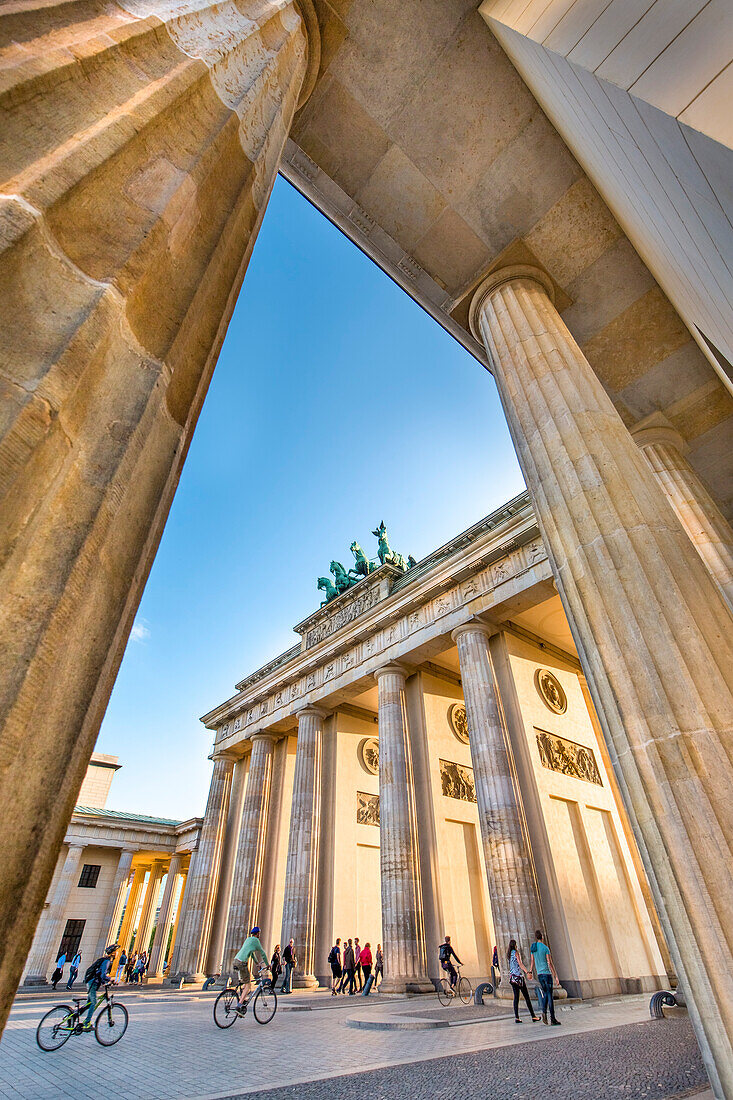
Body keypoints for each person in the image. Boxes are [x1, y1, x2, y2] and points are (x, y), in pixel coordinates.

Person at [233, 926, 269, 1013]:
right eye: (259, 933)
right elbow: (263, 953)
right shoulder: (256, 941)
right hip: (242, 963)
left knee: (245, 982)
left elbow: (251, 953)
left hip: (236, 960)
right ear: (258, 934)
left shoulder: (248, 939)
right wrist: (268, 965)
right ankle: (239, 1005)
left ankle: (243, 998)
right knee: (248, 985)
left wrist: (257, 963)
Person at [82, 944, 117, 1030]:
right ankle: (86, 1023)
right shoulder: (107, 961)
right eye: (115, 952)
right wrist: (110, 979)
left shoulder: (103, 960)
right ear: (112, 953)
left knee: (89, 1003)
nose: (116, 954)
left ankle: (74, 1015)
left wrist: (104, 982)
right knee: (93, 1002)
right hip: (93, 983)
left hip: (91, 982)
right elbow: (103, 975)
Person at [530, 930, 561, 1026]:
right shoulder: (545, 948)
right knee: (549, 995)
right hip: (547, 974)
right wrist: (555, 975)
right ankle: (552, 1018)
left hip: (539, 974)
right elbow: (550, 962)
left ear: (536, 937)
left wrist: (530, 971)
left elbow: (532, 961)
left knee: (546, 993)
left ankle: (544, 1011)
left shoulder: (533, 948)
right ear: (542, 937)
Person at [507, 938, 540, 1024]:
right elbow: (520, 964)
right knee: (526, 997)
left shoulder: (509, 954)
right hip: (518, 978)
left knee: (516, 998)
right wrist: (527, 972)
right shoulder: (516, 953)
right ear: (515, 945)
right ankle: (533, 1016)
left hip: (512, 978)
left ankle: (517, 1017)